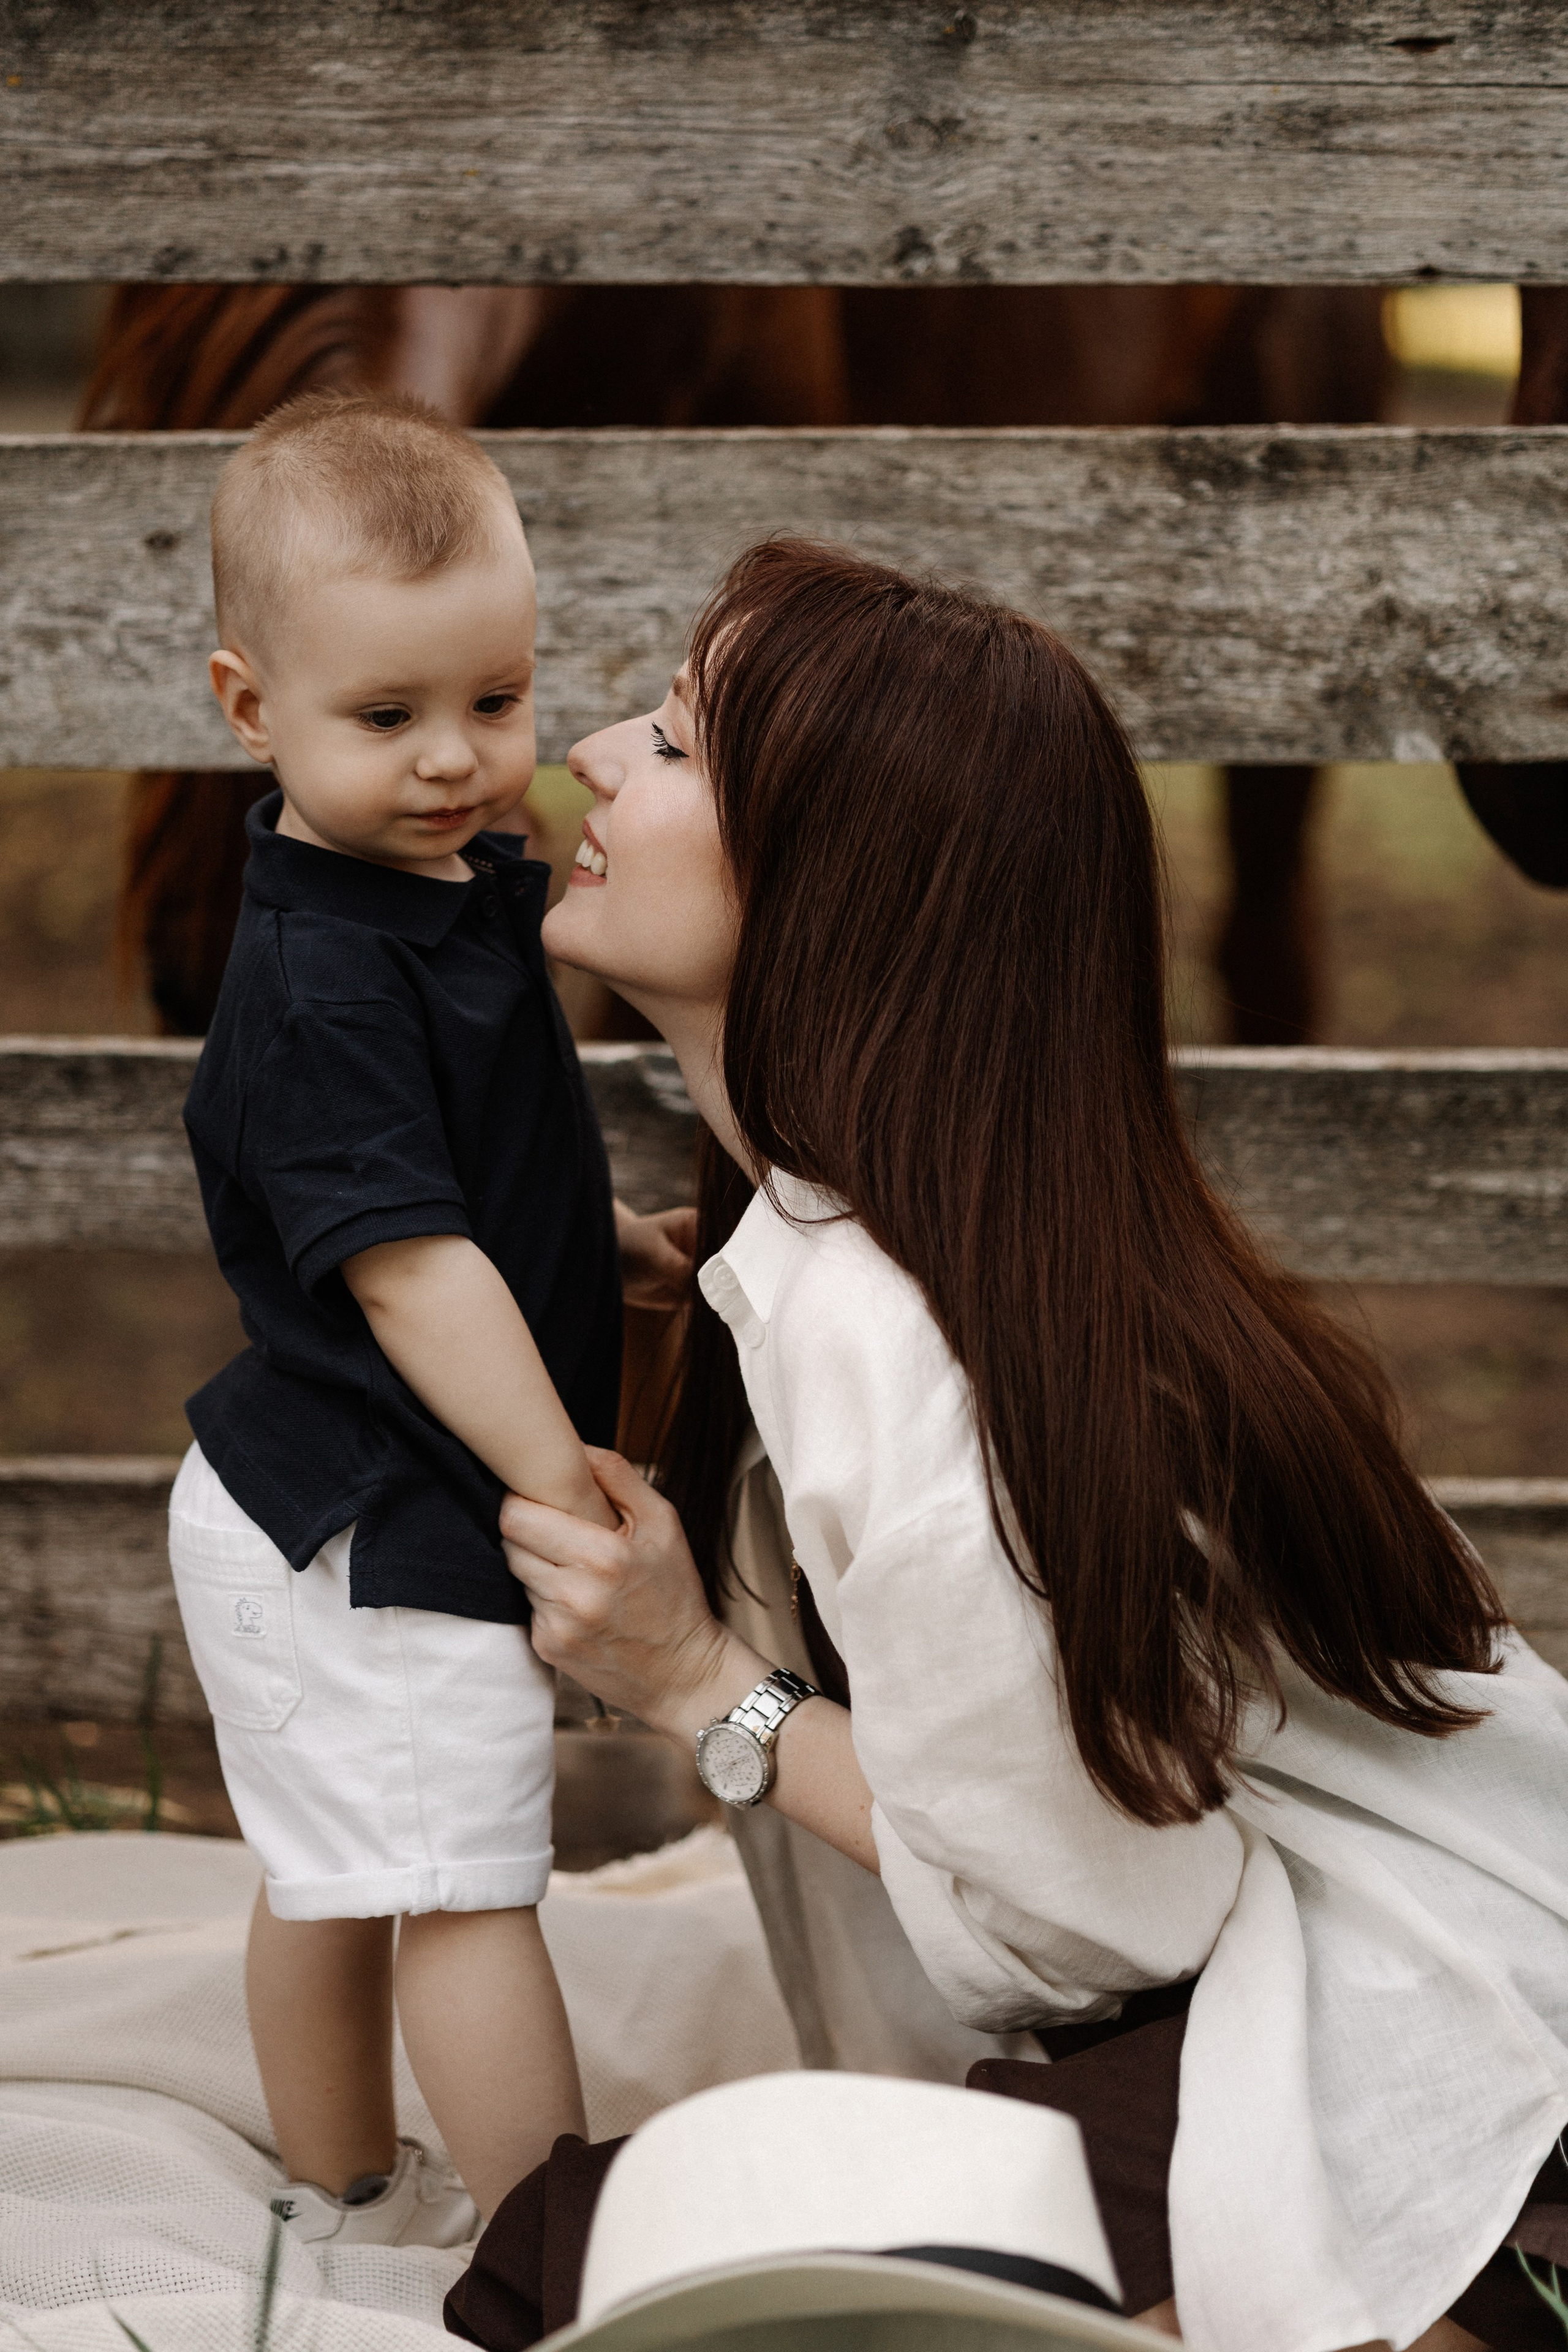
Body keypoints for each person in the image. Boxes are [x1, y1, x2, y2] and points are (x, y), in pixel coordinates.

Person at [458, 540, 1568, 2352]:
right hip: (1415, 1956)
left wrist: (700, 1685)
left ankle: (1473, 2279)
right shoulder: (886, 1237)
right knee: (633, 2252)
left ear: (835, 882)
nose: (590, 753)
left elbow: (1103, 1915)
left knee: (568, 2273)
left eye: (671, 746)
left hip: (1410, 2011)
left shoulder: (908, 1345)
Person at [167, 390, 692, 2244]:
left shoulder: (434, 884)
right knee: (460, 1880)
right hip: (363, 1518)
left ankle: (332, 2182)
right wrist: (560, 1473)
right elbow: (406, 1264)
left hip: (316, 1492)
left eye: (496, 699)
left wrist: (610, 1241)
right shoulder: (320, 973)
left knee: (336, 1865)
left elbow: (471, 1177)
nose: (459, 760)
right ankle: (558, 2244)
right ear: (253, 710)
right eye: (386, 719)